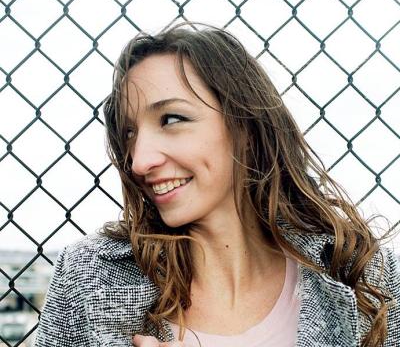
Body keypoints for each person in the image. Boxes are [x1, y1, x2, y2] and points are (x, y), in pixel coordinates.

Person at [34, 22, 400, 347]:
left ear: (245, 126)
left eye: (171, 119)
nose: (139, 161)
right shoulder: (87, 279)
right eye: (129, 133)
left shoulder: (370, 278)